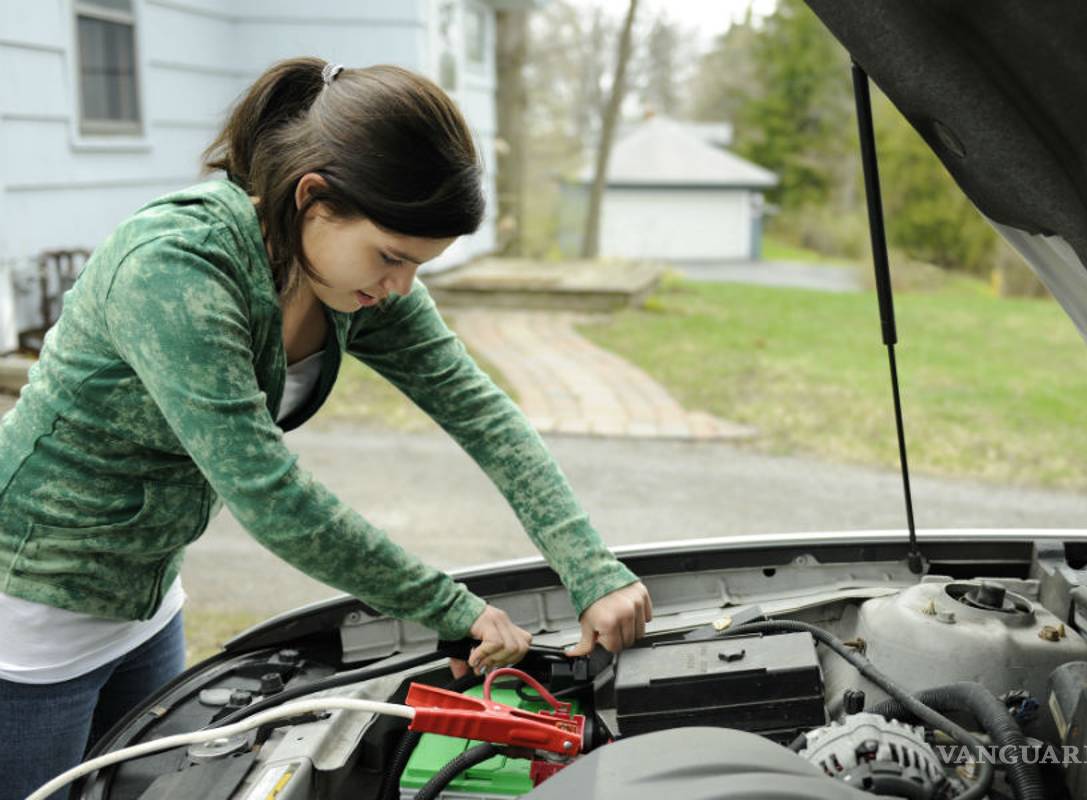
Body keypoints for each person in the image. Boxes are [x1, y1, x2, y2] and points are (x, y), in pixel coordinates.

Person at [0, 57, 651, 799]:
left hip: (147, 603)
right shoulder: (175, 269)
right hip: (30, 612)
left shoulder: (350, 280)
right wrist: (452, 609)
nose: (401, 287)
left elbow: (482, 413)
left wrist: (592, 571)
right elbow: (270, 495)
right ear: (313, 197)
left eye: (419, 264)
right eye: (391, 257)